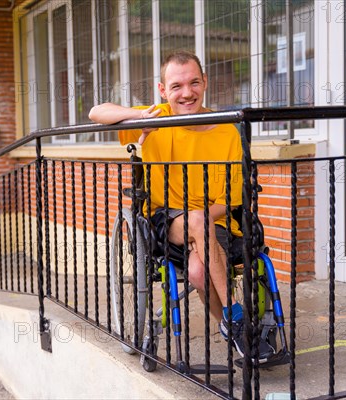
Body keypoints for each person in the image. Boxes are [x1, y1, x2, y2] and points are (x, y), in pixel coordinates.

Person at [89, 51, 274, 361]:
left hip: (215, 224)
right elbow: (97, 111)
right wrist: (138, 117)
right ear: (163, 90)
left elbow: (230, 199)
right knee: (198, 222)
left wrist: (202, 220)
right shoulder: (156, 118)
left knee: (198, 270)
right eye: (176, 86)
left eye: (194, 83)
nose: (186, 93)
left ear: (205, 84)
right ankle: (238, 320)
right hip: (166, 221)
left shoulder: (226, 129)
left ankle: (230, 325)